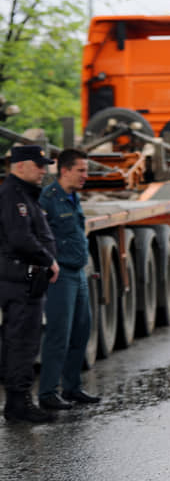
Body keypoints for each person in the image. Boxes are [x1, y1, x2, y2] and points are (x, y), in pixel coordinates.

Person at [0, 145, 60, 423]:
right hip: (19, 281)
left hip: (24, 280)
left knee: (23, 341)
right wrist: (49, 260)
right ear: (20, 165)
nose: (43, 171)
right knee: (21, 342)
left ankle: (19, 401)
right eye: (39, 166)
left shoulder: (23, 193)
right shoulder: (13, 196)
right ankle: (18, 405)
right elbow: (20, 238)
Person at [38, 149, 100, 410]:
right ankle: (48, 393)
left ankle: (72, 387)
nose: (85, 175)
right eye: (81, 170)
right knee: (58, 335)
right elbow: (40, 236)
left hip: (79, 272)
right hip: (60, 275)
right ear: (64, 170)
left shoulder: (73, 196)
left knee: (81, 331)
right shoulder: (48, 199)